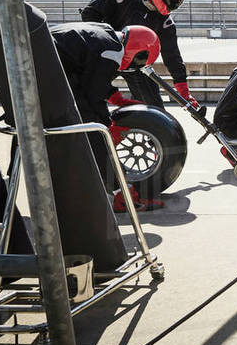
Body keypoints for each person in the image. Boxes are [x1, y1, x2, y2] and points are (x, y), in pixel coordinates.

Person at [50, 22, 162, 212]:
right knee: (95, 130)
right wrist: (107, 125)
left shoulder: (107, 34)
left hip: (44, 62)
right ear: (136, 49)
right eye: (141, 60)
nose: (137, 66)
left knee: (89, 124)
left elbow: (87, 70)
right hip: (47, 69)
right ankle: (122, 195)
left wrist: (112, 95)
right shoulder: (112, 52)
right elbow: (93, 97)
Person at [81, 0, 197, 109]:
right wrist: (106, 42)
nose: (173, 5)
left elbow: (172, 56)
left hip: (136, 63)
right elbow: (89, 14)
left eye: (178, 1)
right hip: (107, 56)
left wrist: (184, 92)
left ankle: (144, 124)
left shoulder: (165, 23)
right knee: (86, 96)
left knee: (154, 107)